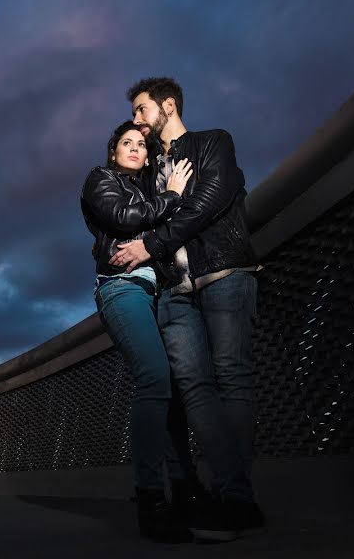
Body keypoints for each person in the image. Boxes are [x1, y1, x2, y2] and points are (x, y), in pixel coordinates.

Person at [112, 77, 264, 541]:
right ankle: (229, 496)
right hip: (175, 290)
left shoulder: (213, 143)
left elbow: (208, 203)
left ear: (168, 105)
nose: (136, 120)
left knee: (231, 376)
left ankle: (237, 499)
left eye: (141, 110)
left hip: (222, 273)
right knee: (194, 388)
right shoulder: (150, 168)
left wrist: (149, 244)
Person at [81, 120, 194, 543]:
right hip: (121, 288)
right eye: (126, 143)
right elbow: (122, 217)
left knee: (173, 389)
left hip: (158, 291)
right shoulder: (101, 179)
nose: (135, 148)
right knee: (153, 377)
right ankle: (151, 499)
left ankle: (184, 487)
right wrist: (172, 196)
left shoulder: (150, 192)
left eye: (141, 145)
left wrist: (166, 197)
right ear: (113, 153)